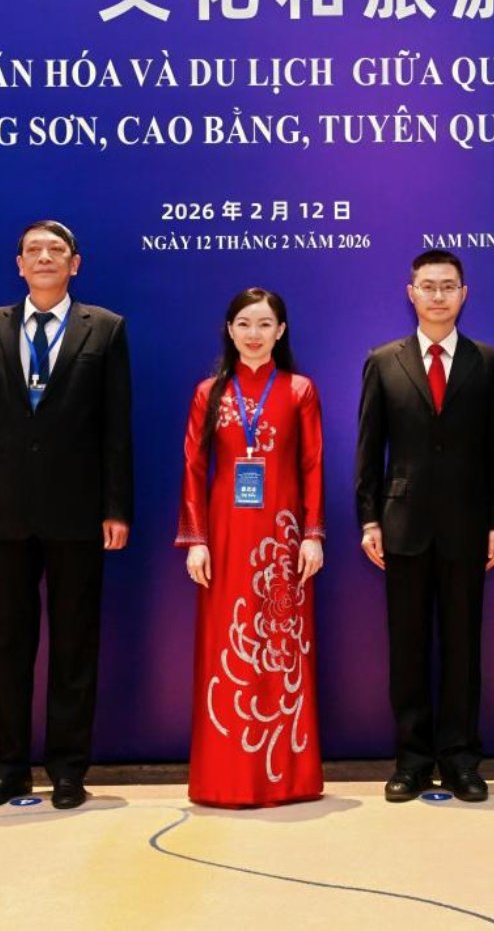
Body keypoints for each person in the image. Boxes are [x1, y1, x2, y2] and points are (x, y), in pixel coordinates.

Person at [0, 220, 133, 811]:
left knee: (75, 644)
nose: (45, 257)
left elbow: (116, 428)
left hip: (78, 512)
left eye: (56, 250)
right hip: (3, 512)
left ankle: (67, 769)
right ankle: (9, 768)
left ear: (75, 264)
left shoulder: (105, 328)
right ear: (19, 264)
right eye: (34, 250)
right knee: (8, 643)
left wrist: (116, 507)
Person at [356, 250, 494, 803]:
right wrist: (369, 518)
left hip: (468, 527)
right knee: (408, 651)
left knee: (463, 650)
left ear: (464, 294)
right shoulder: (384, 361)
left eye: (449, 286)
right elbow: (369, 448)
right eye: (429, 286)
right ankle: (412, 761)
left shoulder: (490, 362)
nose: (439, 295)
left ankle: (461, 760)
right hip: (401, 526)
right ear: (412, 293)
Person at [176, 287, 325, 808]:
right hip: (224, 537)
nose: (254, 334)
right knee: (227, 647)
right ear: (229, 330)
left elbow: (313, 465)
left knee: (281, 648)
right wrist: (195, 541)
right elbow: (193, 469)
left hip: (283, 536)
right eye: (244, 324)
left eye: (264, 324)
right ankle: (225, 778)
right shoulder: (209, 393)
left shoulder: (299, 390)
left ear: (281, 331)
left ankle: (288, 779)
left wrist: (312, 534)